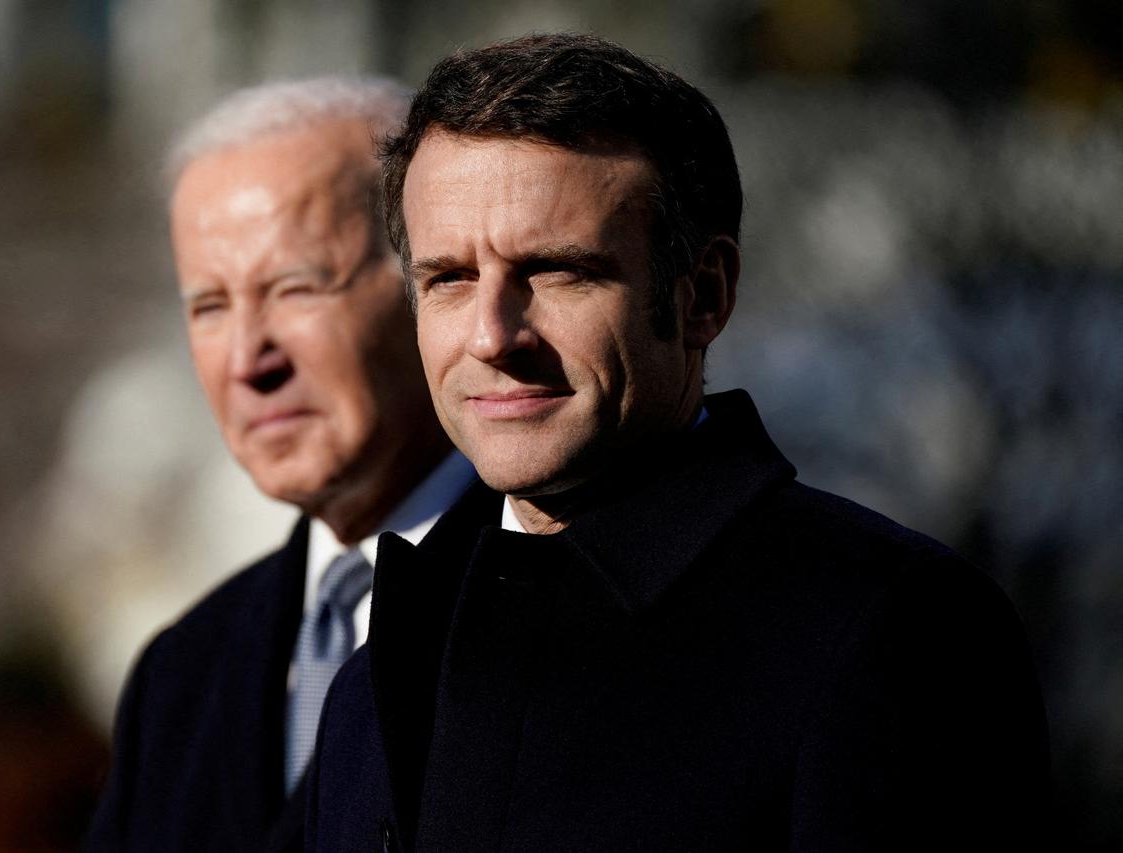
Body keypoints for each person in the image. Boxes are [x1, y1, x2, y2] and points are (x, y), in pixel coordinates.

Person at [305, 35, 1049, 852]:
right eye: (449, 278)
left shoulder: (892, 633)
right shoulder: (382, 663)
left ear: (705, 295)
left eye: (557, 270)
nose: (492, 335)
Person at [85, 77, 471, 852]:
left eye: (295, 288)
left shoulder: (568, 610)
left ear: (432, 285)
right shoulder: (181, 675)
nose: (247, 359)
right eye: (209, 306)